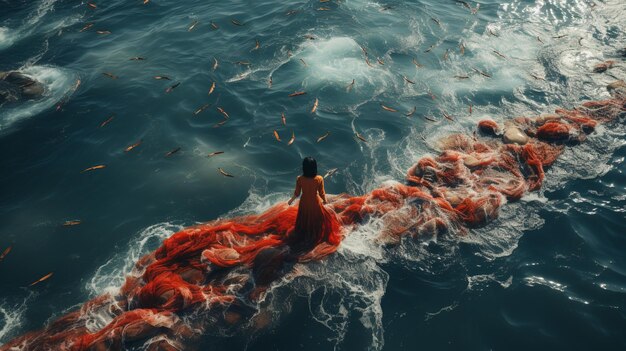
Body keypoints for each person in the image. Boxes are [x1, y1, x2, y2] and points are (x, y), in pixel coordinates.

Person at [286, 157, 340, 252]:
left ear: (304, 168)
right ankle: (314, 233)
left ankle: (304, 232)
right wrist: (325, 200)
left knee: (304, 217)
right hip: (315, 202)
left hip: (304, 202)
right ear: (315, 168)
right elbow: (322, 193)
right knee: (316, 218)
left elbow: (297, 193)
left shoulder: (299, 179)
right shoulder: (319, 178)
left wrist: (291, 200)